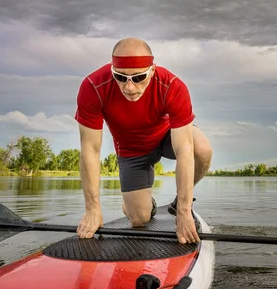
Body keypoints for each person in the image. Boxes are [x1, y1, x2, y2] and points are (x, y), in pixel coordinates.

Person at [73, 38, 213, 244]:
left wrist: (184, 212)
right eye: (120, 77)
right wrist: (92, 209)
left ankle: (178, 202)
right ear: (112, 70)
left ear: (153, 70)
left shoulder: (172, 86)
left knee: (202, 149)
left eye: (138, 78)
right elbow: (90, 150)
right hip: (132, 150)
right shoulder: (93, 86)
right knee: (139, 218)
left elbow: (184, 149)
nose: (129, 87)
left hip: (168, 138)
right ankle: (145, 203)